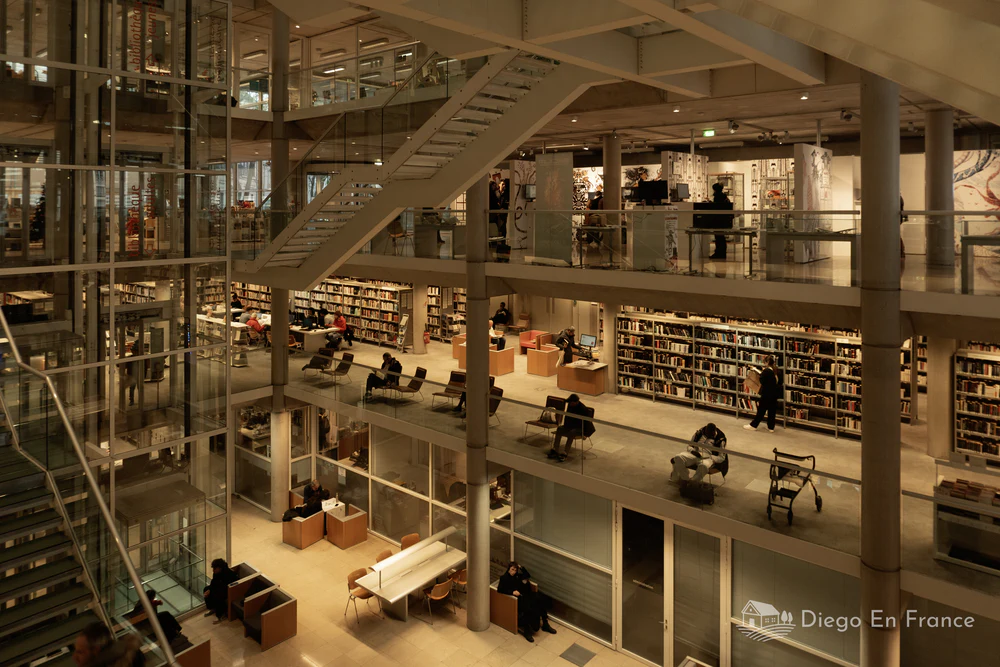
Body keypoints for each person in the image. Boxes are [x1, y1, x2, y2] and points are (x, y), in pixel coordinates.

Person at [497, 561, 555, 642]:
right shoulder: (504, 578)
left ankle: (545, 623)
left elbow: (527, 575)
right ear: (509, 569)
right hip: (518, 599)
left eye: (515, 570)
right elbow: (500, 589)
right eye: (512, 569)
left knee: (540, 601)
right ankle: (527, 630)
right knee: (527, 609)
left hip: (526, 595)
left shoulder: (517, 576)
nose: (513, 571)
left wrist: (521, 567)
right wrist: (512, 592)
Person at [548, 394, 595, 462]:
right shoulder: (570, 406)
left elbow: (587, 423)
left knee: (571, 433)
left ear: (576, 402)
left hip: (580, 428)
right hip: (570, 426)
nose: (569, 404)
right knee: (559, 429)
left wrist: (586, 434)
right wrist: (565, 426)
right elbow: (567, 417)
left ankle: (565, 452)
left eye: (571, 402)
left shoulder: (583, 409)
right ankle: (555, 449)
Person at [745, 355, 781, 432]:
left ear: (767, 362)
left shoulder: (767, 371)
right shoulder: (775, 370)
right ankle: (771, 427)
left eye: (764, 362)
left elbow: (762, 380)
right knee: (772, 411)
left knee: (761, 410)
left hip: (766, 394)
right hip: (774, 394)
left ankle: (754, 425)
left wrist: (757, 372)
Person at [202, 558, 237, 622]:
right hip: (219, 588)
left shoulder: (228, 574)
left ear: (219, 568)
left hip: (228, 590)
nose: (213, 570)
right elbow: (213, 582)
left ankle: (220, 615)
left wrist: (212, 591)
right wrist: (209, 590)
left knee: (217, 595)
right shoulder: (216, 573)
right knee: (206, 589)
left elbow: (225, 587)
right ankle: (213, 608)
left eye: (215, 568)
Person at [709, 182, 732, 260]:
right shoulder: (724, 196)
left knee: (718, 237)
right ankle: (721, 253)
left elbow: (716, 207)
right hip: (724, 220)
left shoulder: (718, 196)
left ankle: (718, 253)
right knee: (721, 237)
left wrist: (710, 204)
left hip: (719, 220)